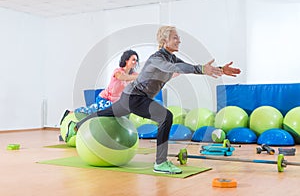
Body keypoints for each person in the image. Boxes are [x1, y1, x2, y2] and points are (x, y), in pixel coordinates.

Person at [67, 25, 241, 174]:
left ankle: (76, 125)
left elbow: (182, 66)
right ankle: (160, 163)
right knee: (165, 116)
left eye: (178, 38)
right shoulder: (157, 58)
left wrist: (217, 69)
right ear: (165, 41)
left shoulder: (171, 56)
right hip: (135, 97)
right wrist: (203, 68)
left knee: (107, 113)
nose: (179, 41)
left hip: (130, 97)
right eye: (175, 38)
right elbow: (174, 67)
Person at [74, 49, 139, 115]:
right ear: (126, 60)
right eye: (133, 60)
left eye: (136, 60)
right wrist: (137, 77)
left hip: (117, 103)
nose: (135, 62)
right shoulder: (118, 71)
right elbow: (122, 77)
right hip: (105, 99)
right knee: (105, 109)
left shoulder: (134, 74)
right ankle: (72, 113)